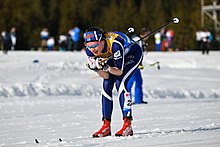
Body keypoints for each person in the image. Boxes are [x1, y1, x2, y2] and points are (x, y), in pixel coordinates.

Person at [84, 27, 143, 137]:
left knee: (120, 83)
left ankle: (127, 125)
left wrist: (106, 67)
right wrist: (96, 69)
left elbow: (119, 72)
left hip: (133, 54)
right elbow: (105, 76)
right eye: (89, 46)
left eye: (95, 45)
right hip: (115, 57)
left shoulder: (115, 44)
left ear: (102, 40)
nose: (92, 49)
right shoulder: (89, 51)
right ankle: (106, 126)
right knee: (106, 85)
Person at [127, 28, 148, 104]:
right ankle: (127, 100)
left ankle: (138, 100)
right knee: (130, 82)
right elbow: (133, 52)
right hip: (133, 64)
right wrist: (137, 63)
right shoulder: (137, 40)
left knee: (139, 81)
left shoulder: (141, 41)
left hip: (137, 64)